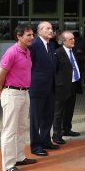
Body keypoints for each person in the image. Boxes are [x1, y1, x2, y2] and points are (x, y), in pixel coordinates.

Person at [0, 24, 37, 171]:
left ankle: (19, 157)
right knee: (10, 131)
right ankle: (8, 165)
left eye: (32, 35)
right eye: (28, 35)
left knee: (22, 127)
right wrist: (2, 91)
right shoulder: (11, 52)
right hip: (12, 94)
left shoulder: (27, 52)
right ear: (19, 36)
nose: (32, 37)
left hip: (25, 93)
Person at [29, 21, 58, 157]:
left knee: (48, 116)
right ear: (40, 31)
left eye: (51, 28)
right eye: (47, 28)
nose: (50, 30)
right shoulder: (34, 45)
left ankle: (46, 141)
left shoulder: (51, 45)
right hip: (37, 87)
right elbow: (28, 65)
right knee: (36, 118)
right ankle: (36, 146)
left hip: (50, 87)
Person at [52, 31, 83, 145]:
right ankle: (56, 134)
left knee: (70, 109)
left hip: (73, 84)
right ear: (63, 41)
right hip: (61, 86)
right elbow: (54, 71)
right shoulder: (58, 53)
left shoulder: (73, 51)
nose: (73, 40)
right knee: (59, 111)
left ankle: (67, 129)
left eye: (73, 38)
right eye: (70, 39)